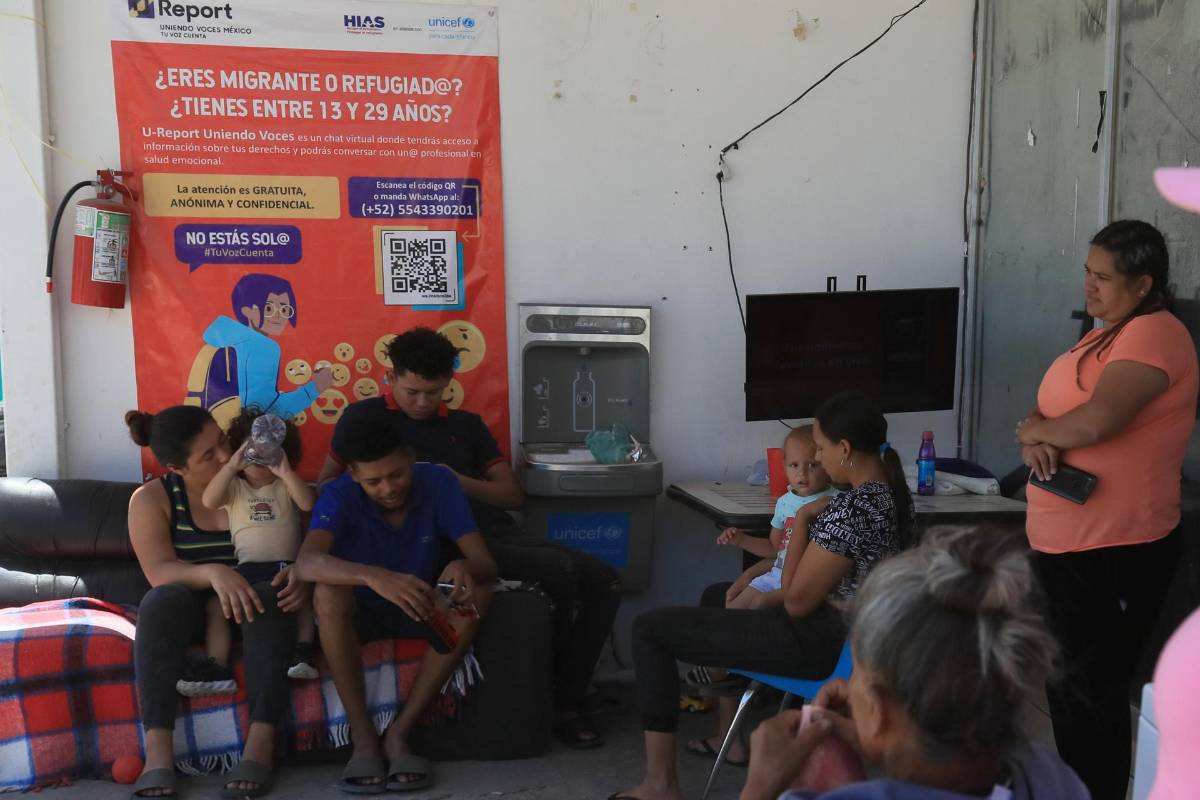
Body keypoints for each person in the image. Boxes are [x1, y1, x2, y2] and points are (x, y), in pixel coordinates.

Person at [317, 326, 621, 749]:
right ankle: (563, 703)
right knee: (560, 571)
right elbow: (330, 486)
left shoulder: (466, 426)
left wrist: (450, 479)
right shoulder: (365, 418)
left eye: (434, 392)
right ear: (391, 378)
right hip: (429, 540)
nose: (422, 403)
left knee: (603, 580)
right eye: (412, 392)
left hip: (486, 532)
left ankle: (568, 696)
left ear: (449, 384)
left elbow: (512, 495)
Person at [610, 391, 913, 800]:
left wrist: (804, 519)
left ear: (844, 450)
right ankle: (725, 719)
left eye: (820, 450)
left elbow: (794, 600)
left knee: (649, 630)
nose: (819, 460)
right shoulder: (892, 497)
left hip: (815, 642)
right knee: (720, 593)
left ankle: (660, 785)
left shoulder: (850, 508)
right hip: (846, 634)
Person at [1015, 219, 1198, 800]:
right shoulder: (1104, 333)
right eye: (1087, 273)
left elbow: (1099, 420)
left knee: (1091, 694)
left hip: (1114, 546)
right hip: (1067, 543)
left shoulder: (1157, 334)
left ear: (1143, 284)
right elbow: (1051, 413)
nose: (1089, 287)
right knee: (1069, 690)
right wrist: (1036, 432)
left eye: (1104, 277)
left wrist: (1040, 434)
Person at [737, 525, 1090, 800]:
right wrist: (893, 744)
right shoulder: (1050, 775)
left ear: (877, 707)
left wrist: (761, 787)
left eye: (855, 669)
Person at [295, 404, 496, 794]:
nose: (388, 489)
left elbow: (485, 563)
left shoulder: (438, 482)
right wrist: (373, 577)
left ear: (411, 457)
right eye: (373, 482)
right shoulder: (338, 494)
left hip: (421, 605)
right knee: (328, 591)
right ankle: (364, 738)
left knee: (480, 592)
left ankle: (400, 734)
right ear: (353, 475)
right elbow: (306, 562)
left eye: (396, 474)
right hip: (359, 613)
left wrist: (463, 566)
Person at [125, 405, 302, 799]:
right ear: (176, 468)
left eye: (221, 441)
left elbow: (307, 526)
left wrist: (300, 570)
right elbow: (158, 571)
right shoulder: (152, 499)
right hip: (193, 610)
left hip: (257, 602)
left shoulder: (258, 477)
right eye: (208, 455)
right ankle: (158, 757)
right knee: (159, 601)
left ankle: (259, 747)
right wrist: (213, 572)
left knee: (271, 596)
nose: (226, 455)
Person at [686, 425, 836, 691]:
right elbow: (774, 548)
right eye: (794, 465)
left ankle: (740, 668)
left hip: (802, 580)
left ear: (825, 462)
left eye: (812, 465)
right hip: (776, 573)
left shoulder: (832, 501)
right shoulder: (785, 503)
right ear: (783, 466)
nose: (802, 473)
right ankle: (722, 668)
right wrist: (741, 540)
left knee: (757, 607)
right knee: (733, 607)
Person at [190, 409, 318, 697]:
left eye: (270, 451)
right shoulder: (234, 489)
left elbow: (308, 504)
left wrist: (284, 471)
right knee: (215, 606)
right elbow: (210, 500)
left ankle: (303, 651)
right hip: (247, 570)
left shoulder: (285, 485)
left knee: (304, 599)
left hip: (286, 568)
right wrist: (233, 465)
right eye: (251, 450)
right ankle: (217, 665)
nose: (260, 457)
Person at [199, 273, 332, 420]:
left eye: (284, 309)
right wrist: (315, 388)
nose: (278, 316)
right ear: (246, 310)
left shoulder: (221, 338)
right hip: (248, 434)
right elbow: (262, 412)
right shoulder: (264, 346)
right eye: (269, 308)